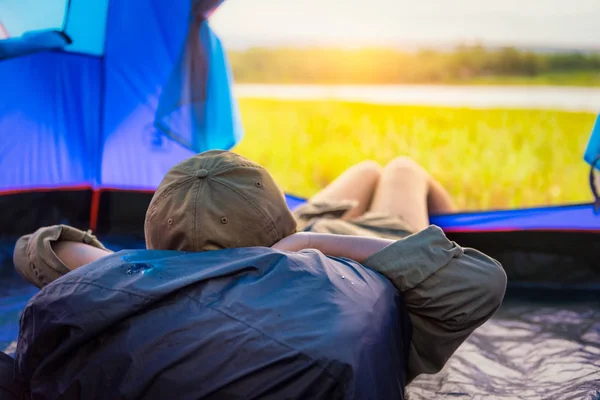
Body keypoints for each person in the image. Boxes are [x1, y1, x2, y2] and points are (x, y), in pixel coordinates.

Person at [11, 150, 506, 399]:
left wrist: (140, 267)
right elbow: (479, 278)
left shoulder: (144, 281)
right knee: (398, 168)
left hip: (305, 235)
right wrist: (308, 242)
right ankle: (459, 215)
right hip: (355, 243)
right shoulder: (328, 292)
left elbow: (36, 247)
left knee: (364, 170)